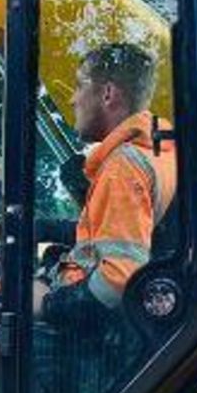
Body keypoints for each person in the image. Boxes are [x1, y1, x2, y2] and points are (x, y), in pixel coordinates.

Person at [35, 40, 176, 326]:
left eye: (79, 86)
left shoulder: (123, 168)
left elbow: (118, 279)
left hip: (85, 336)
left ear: (108, 93)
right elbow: (110, 236)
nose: (74, 99)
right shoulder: (158, 150)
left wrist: (45, 303)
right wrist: (39, 227)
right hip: (108, 318)